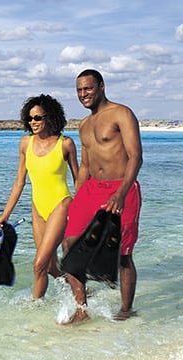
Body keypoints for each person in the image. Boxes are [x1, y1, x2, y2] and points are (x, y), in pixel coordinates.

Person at [61, 69, 143, 325]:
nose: (83, 94)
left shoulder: (122, 113)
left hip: (122, 187)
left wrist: (121, 193)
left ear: (101, 86)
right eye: (79, 90)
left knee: (122, 254)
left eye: (88, 88)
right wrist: (77, 198)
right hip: (91, 189)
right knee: (69, 246)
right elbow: (85, 165)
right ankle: (81, 308)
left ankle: (126, 309)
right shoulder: (84, 124)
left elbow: (136, 157)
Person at [0, 94, 79, 299]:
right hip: (38, 208)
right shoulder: (25, 143)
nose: (33, 122)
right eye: (30, 118)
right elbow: (19, 182)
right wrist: (5, 215)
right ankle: (78, 288)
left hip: (61, 204)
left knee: (38, 264)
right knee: (49, 266)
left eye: (38, 118)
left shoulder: (65, 144)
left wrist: (84, 212)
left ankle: (34, 309)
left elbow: (79, 180)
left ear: (50, 117)